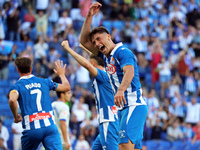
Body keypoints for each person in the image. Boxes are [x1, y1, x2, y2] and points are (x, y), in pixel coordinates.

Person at [79, 2, 148, 150]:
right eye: (95, 42)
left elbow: (129, 71)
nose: (96, 44)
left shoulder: (122, 52)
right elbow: (83, 41)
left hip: (133, 105)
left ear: (109, 36)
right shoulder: (106, 56)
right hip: (123, 109)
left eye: (99, 39)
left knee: (123, 147)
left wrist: (121, 90)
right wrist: (89, 16)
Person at [62, 40, 119, 150]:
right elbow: (95, 59)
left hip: (108, 120)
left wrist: (69, 49)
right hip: (110, 119)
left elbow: (87, 64)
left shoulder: (101, 75)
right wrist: (85, 49)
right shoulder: (108, 73)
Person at [8, 57, 71, 150]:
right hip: (49, 126)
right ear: (31, 68)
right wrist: (62, 74)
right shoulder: (44, 81)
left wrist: (15, 116)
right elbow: (66, 87)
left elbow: (12, 100)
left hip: (32, 128)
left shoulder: (17, 86)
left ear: (17, 70)